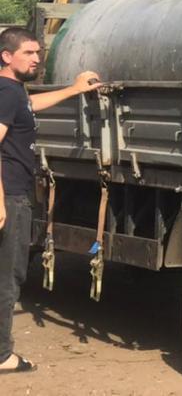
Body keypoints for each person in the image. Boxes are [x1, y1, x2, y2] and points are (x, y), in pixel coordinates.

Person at [0, 27, 101, 375]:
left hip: (13, 194)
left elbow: (29, 107)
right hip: (11, 196)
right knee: (9, 275)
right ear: (6, 56)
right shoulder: (7, 93)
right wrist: (0, 200)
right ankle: (2, 355)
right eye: (28, 53)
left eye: (38, 52)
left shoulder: (14, 92)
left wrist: (74, 89)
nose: (37, 59)